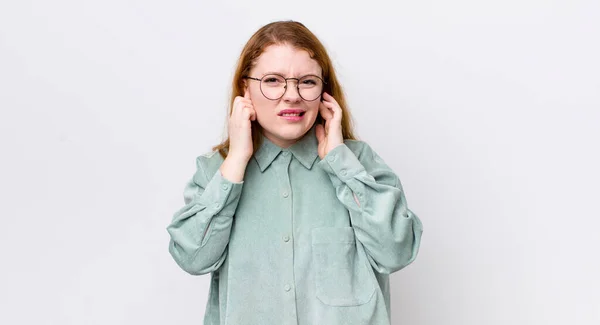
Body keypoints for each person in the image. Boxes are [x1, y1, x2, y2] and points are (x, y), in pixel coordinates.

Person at [166, 20, 424, 325]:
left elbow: (397, 251)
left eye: (307, 82)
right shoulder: (216, 169)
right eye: (273, 80)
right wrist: (236, 160)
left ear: (324, 92)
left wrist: (340, 163)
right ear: (245, 90)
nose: (292, 95)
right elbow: (192, 258)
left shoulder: (359, 162)